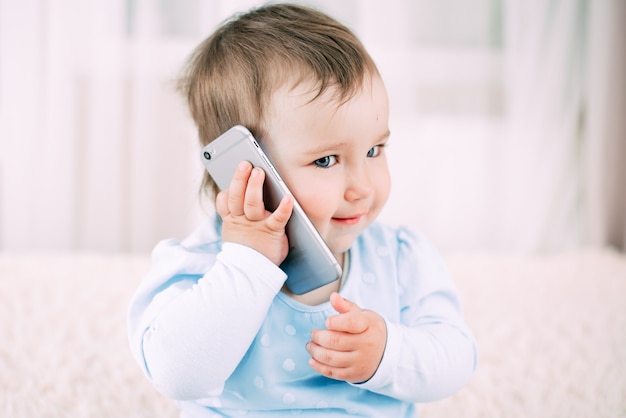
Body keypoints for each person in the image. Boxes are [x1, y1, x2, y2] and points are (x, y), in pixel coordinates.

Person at [128, 3, 477, 417]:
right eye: (327, 160)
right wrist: (247, 264)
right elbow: (177, 373)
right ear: (248, 169)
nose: (363, 187)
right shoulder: (201, 266)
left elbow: (457, 357)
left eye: (373, 150)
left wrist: (389, 352)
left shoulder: (401, 257)